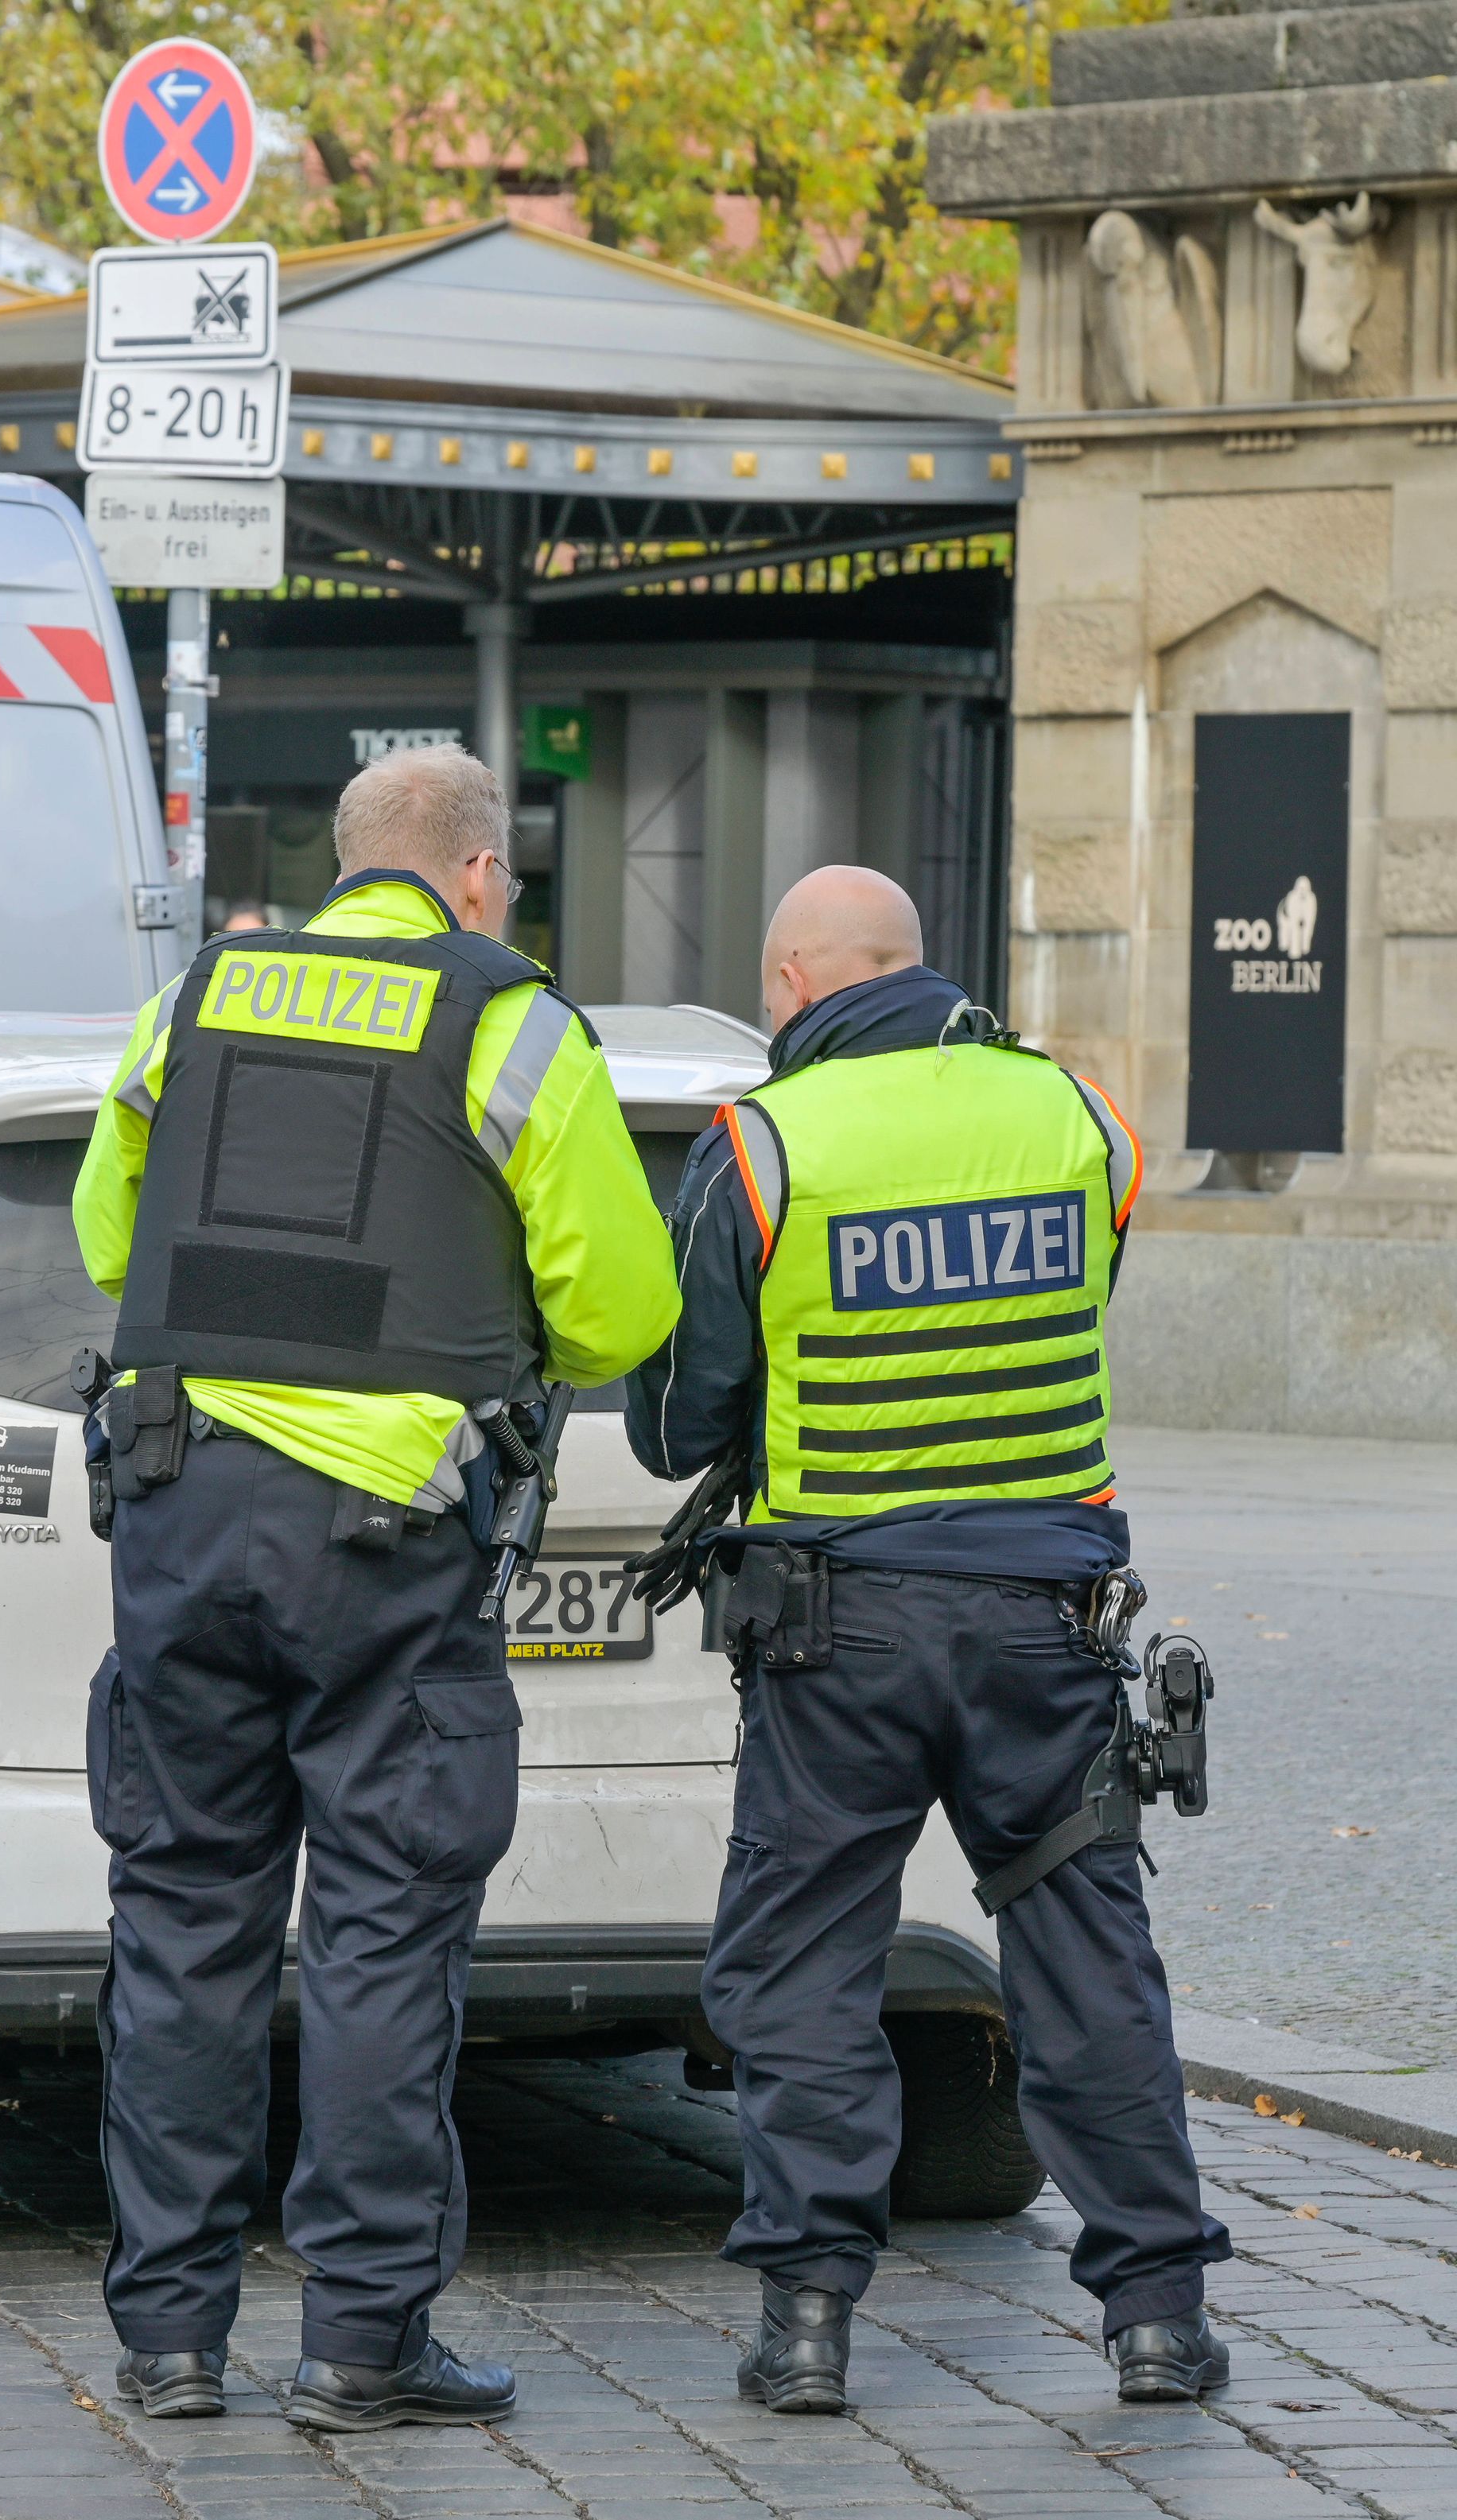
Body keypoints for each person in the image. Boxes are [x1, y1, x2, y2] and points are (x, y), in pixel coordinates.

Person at [72, 743, 678, 2433]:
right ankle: (358, 2341)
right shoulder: (509, 1016)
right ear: (476, 873)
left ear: (348, 864)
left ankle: (169, 2341)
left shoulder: (190, 1000)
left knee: (183, 1916)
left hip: (178, 1506)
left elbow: (107, 1233)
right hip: (387, 1536)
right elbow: (619, 1311)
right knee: (379, 1932)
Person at [624, 865, 1231, 2415]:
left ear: (791, 979)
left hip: (841, 1637)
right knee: (1085, 1950)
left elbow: (677, 1414)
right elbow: (1065, 1300)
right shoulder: (1075, 1121)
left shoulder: (767, 1145)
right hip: (1046, 1625)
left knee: (804, 1963)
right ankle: (1155, 2313)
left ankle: (807, 2323)